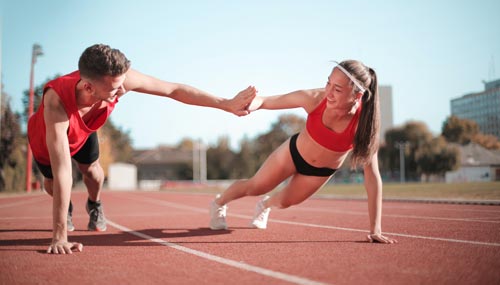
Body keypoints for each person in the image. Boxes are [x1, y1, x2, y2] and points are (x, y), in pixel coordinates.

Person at [28, 44, 257, 254]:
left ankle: (94, 204)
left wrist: (225, 104)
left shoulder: (120, 80)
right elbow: (63, 171)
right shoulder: (56, 103)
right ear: (88, 87)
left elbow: (173, 89)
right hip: (47, 137)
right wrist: (59, 237)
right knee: (54, 183)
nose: (121, 92)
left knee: (93, 173)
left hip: (84, 130)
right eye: (114, 89)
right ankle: (66, 208)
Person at [209, 60, 396, 244]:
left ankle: (264, 205)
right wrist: (249, 105)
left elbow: (372, 175)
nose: (328, 92)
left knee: (285, 202)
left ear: (357, 96)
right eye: (328, 83)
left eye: (337, 89)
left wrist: (375, 230)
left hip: (320, 172)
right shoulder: (315, 98)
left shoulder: (364, 125)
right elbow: (266, 101)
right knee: (256, 186)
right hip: (293, 153)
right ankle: (219, 203)